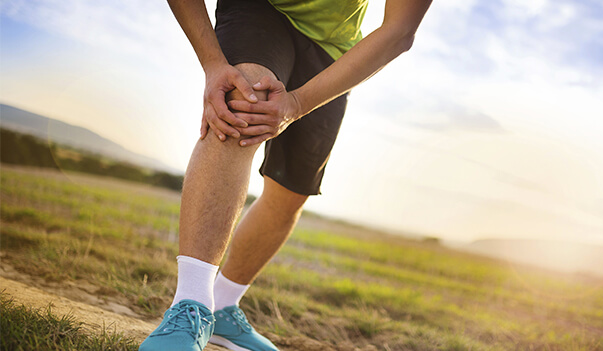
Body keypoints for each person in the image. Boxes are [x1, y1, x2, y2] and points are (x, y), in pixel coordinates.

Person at [139, 0, 432, 350]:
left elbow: (399, 30)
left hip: (332, 45)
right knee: (242, 110)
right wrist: (212, 62)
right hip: (259, 8)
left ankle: (224, 305)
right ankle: (192, 305)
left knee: (291, 190)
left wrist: (297, 104)